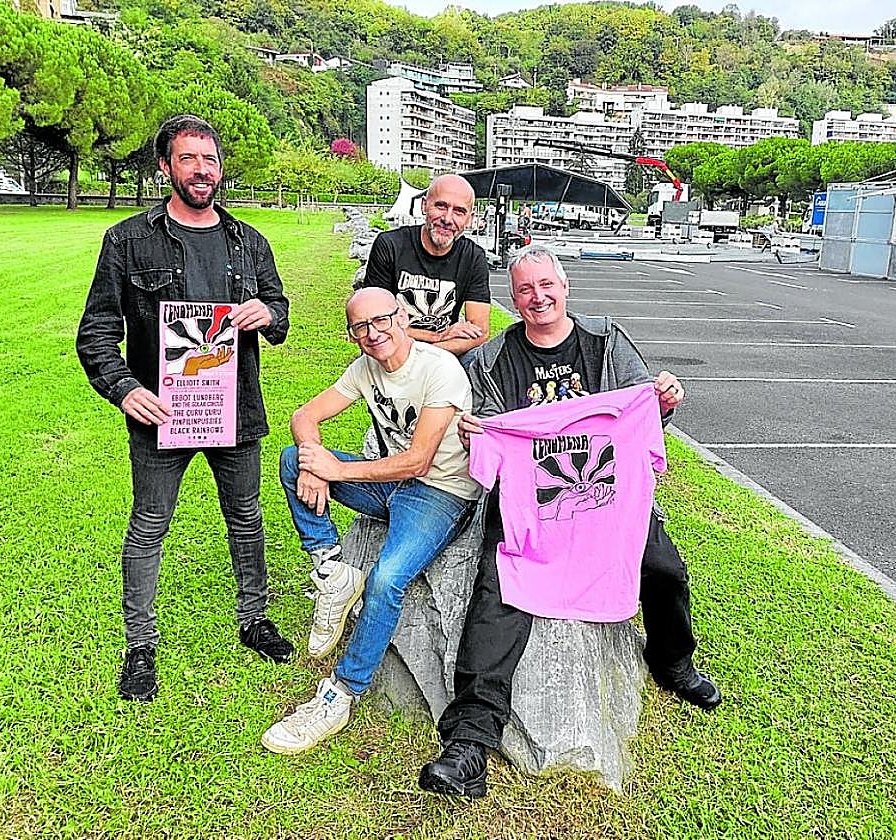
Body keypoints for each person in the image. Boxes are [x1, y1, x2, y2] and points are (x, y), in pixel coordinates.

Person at [418, 244, 721, 798]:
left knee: (664, 570)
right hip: (533, 508)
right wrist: (475, 433)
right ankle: (469, 742)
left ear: (565, 287)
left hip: (608, 503)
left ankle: (673, 662)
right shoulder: (491, 361)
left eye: (546, 285)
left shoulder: (605, 342)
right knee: (498, 596)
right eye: (525, 290)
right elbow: (487, 437)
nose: (538, 297)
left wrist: (664, 402)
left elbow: (645, 416)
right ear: (513, 300)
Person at [76, 114, 293, 703]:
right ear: (166, 167)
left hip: (234, 408)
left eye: (210, 159)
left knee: (246, 517)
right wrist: (125, 388)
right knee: (149, 524)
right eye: (189, 158)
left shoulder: (249, 242)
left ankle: (254, 619)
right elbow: (97, 330)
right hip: (161, 413)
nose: (202, 170)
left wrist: (267, 313)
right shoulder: (127, 240)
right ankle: (140, 646)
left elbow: (279, 309)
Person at [261, 287, 480, 755]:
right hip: (389, 484)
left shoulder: (440, 369)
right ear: (352, 334)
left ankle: (341, 694)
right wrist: (312, 460)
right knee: (290, 459)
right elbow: (304, 415)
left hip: (440, 493)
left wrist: (336, 470)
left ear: (403, 318)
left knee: (385, 579)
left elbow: (419, 461)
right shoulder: (365, 368)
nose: (373, 333)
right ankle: (332, 572)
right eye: (360, 326)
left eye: (381, 320)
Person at [362, 174, 490, 360]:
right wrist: (437, 336)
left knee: (483, 360)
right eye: (441, 206)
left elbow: (480, 332)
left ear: (469, 219)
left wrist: (425, 358)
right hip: (391, 351)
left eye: (459, 211)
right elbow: (375, 323)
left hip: (441, 355)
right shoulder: (390, 246)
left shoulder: (473, 257)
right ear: (424, 205)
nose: (447, 218)